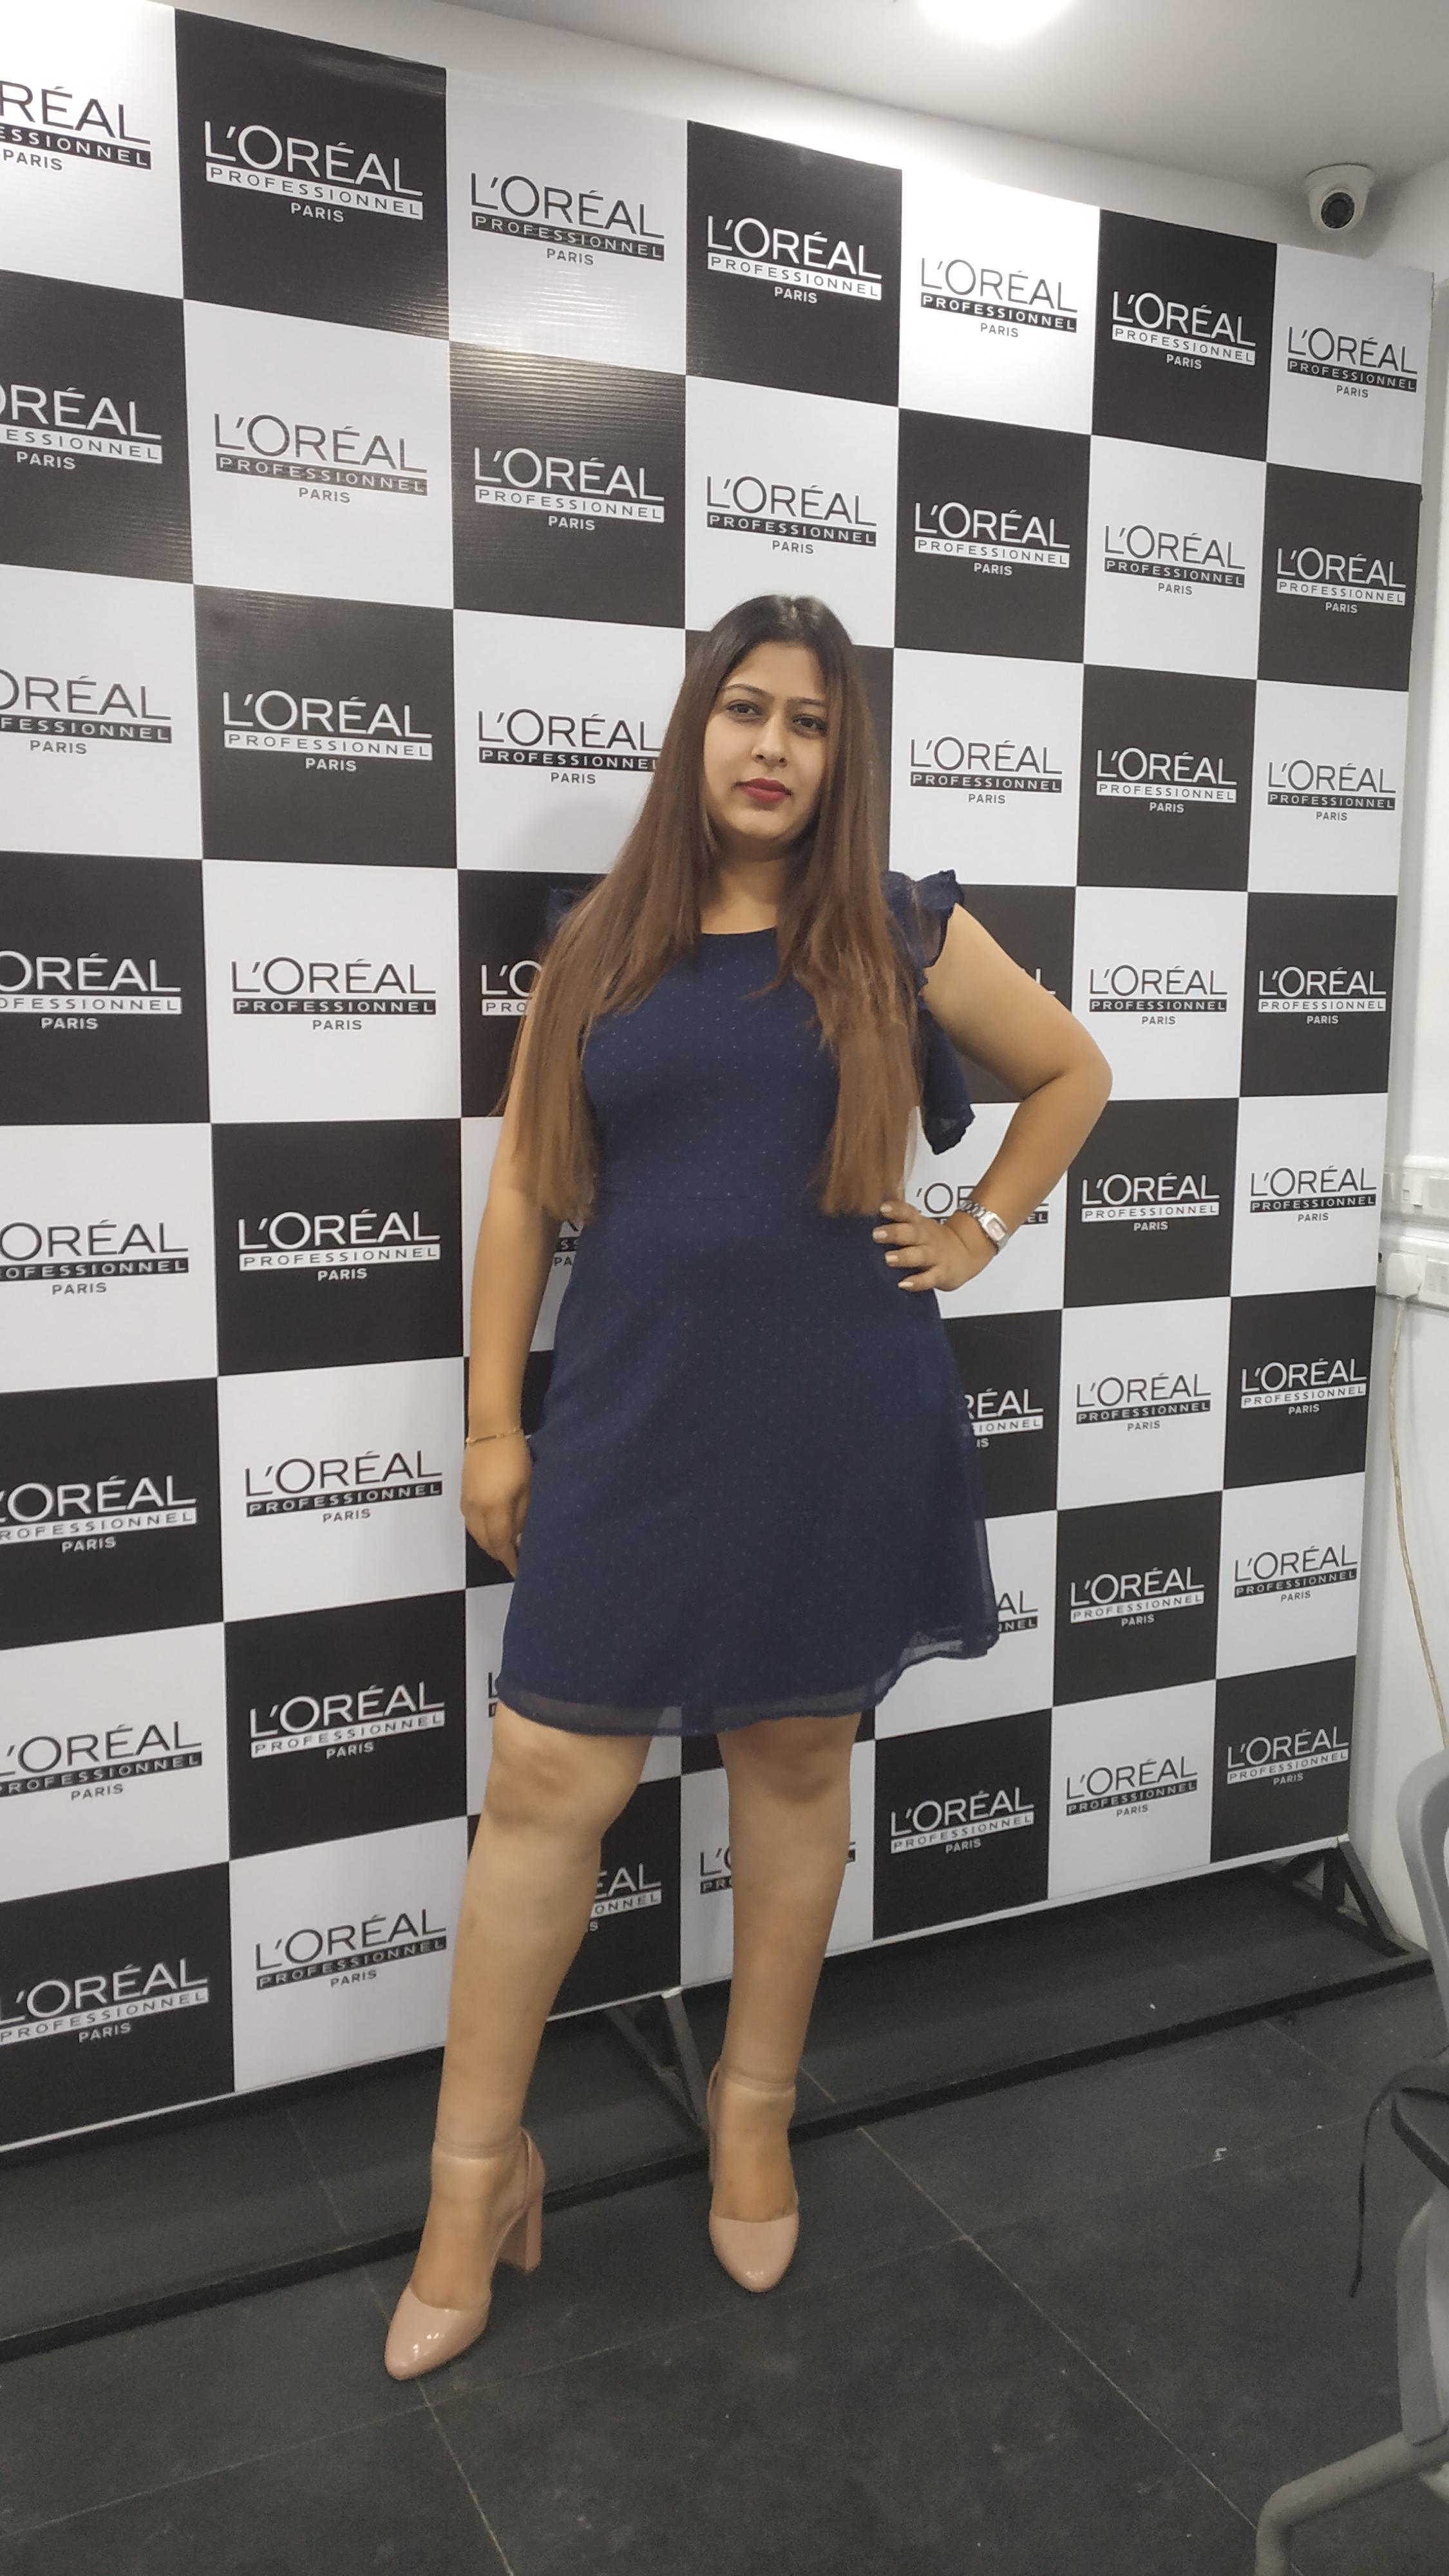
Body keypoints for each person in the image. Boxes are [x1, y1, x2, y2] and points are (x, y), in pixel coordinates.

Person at [384, 592, 1111, 2380]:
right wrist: (494, 1424)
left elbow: (1073, 1071)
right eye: (746, 710)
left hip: (836, 1415)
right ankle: (473, 2180)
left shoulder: (898, 930)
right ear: (696, 728)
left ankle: (755, 2115)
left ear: (841, 755)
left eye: (811, 721)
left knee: (794, 1759)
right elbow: (521, 1194)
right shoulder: (598, 946)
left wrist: (978, 1229)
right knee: (546, 1778)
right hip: (632, 1418)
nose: (774, 746)